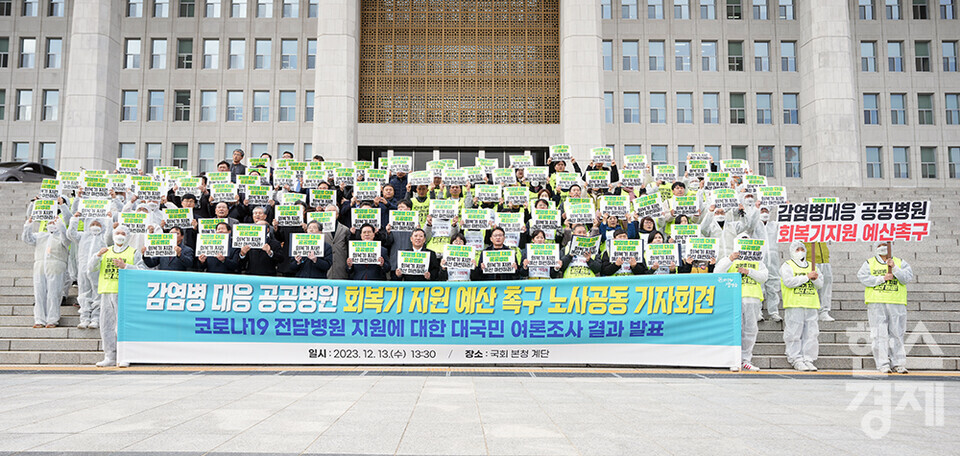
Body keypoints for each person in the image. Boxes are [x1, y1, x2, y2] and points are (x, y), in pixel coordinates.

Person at [89, 225, 146, 367]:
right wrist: (97, 256)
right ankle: (110, 356)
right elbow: (90, 269)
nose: (120, 235)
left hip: (125, 292)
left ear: (128, 236)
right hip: (107, 291)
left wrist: (126, 266)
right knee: (106, 325)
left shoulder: (133, 252)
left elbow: (142, 269)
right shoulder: (105, 251)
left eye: (123, 233)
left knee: (122, 326)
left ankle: (125, 355)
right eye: (118, 233)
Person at [857, 242, 915, 374]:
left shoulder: (900, 262)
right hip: (877, 302)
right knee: (879, 335)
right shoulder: (869, 263)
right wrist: (882, 278)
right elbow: (862, 277)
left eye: (885, 244)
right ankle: (883, 364)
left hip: (896, 302)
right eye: (880, 244)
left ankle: (898, 363)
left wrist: (894, 268)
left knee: (897, 334)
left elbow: (906, 278)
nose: (883, 247)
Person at [716, 233, 769, 372]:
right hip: (734, 298)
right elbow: (718, 272)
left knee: (750, 330)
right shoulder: (731, 258)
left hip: (753, 298)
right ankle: (733, 359)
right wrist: (730, 259)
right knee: (735, 329)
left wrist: (749, 271)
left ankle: (746, 359)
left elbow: (764, 277)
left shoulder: (759, 261)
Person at [780, 241, 824, 372]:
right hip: (794, 304)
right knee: (794, 333)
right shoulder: (787, 265)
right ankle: (795, 358)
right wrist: (807, 277)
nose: (800, 251)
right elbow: (788, 282)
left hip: (810, 304)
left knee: (811, 333)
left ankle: (808, 359)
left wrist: (815, 279)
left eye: (802, 249)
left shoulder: (812, 266)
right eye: (797, 249)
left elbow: (820, 284)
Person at [23, 216, 71, 328]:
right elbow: (27, 239)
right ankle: (39, 319)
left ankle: (52, 319)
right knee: (39, 294)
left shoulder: (63, 237)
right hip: (40, 267)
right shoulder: (41, 235)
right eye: (50, 222)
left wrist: (60, 224)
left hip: (56, 267)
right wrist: (28, 225)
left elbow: (66, 239)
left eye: (54, 222)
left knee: (54, 293)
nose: (52, 224)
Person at [67, 214, 111, 329]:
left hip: (98, 269)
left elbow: (110, 236)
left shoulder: (104, 237)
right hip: (83, 269)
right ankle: (84, 318)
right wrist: (74, 219)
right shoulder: (83, 236)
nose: (95, 226)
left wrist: (109, 220)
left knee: (97, 293)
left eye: (98, 224)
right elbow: (71, 233)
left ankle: (95, 318)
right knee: (83, 293)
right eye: (93, 224)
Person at [804, 241, 834, 322]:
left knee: (826, 286)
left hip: (824, 260)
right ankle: (811, 311)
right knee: (812, 286)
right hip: (810, 260)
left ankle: (824, 312)